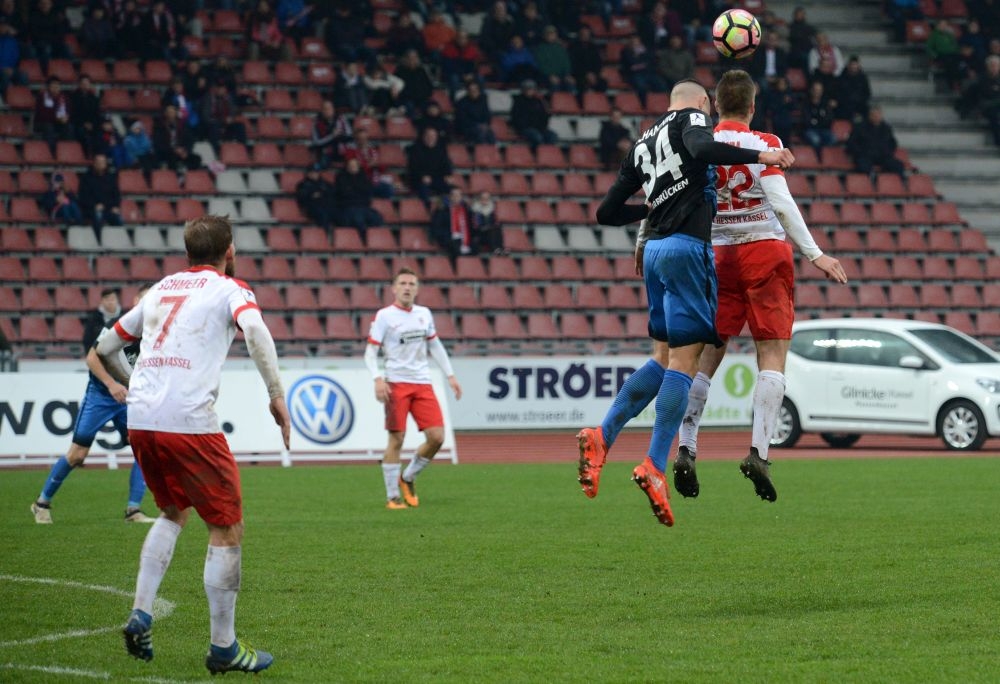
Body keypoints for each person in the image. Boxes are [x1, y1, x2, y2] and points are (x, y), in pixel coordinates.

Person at [576, 79, 794, 526]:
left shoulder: (643, 142)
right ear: (699, 103)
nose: (710, 119)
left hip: (653, 252)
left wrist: (652, 209)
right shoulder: (692, 120)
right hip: (686, 250)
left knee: (662, 357)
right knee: (685, 362)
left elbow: (606, 213)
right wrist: (762, 155)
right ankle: (655, 465)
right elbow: (702, 145)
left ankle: (603, 433)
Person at [96, 214, 290, 674]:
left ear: (187, 253)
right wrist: (276, 396)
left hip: (142, 419)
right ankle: (223, 647)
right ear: (230, 252)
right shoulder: (232, 289)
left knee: (172, 511)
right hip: (189, 422)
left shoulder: (161, 288)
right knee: (226, 527)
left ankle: (142, 610)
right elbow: (257, 333)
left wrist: (136, 384)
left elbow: (105, 346)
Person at [672, 69, 847, 502]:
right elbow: (782, 203)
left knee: (707, 357)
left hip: (717, 256)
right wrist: (814, 253)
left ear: (716, 104)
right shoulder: (764, 144)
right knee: (771, 355)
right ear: (752, 106)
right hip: (764, 250)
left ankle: (686, 447)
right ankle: (759, 452)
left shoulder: (700, 144)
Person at [30, 286, 156, 525]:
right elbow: (92, 357)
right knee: (77, 455)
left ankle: (133, 510)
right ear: (136, 301)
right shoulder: (121, 325)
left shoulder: (154, 333)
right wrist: (111, 384)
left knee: (143, 449)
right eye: (145, 299)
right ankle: (41, 504)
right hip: (101, 395)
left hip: (127, 399)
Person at [364, 268, 462, 509]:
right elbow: (370, 352)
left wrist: (450, 375)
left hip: (422, 383)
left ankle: (407, 477)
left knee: (437, 437)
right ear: (394, 288)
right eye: (403, 283)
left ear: (417, 289)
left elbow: (435, 346)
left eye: (412, 284)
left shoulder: (424, 314)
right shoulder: (384, 316)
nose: (407, 287)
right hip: (396, 383)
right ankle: (392, 497)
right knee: (396, 439)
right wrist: (378, 378)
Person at [846, 105, 906, 177]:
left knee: (898, 166)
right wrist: (860, 153)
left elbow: (892, 143)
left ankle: (900, 184)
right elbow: (851, 143)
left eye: (878, 115)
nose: (876, 117)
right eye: (874, 115)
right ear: (869, 115)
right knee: (863, 167)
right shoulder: (859, 127)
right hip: (865, 156)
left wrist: (888, 152)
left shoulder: (886, 128)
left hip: (883, 156)